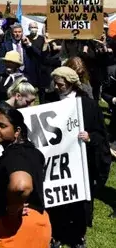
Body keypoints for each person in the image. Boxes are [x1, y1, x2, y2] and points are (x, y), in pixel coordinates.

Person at [47, 67, 111, 248]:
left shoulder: (88, 105)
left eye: (60, 85)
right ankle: (57, 234)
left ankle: (78, 235)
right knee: (58, 202)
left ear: (70, 84)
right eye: (56, 84)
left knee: (79, 203)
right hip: (58, 161)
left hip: (81, 163)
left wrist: (90, 137)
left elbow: (101, 134)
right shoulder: (51, 100)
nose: (57, 88)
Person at [0, 104, 51, 247]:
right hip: (38, 224)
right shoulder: (32, 152)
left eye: (2, 126)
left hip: (13, 231)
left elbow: (21, 186)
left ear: (17, 131)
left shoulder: (16, 153)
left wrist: (12, 211)